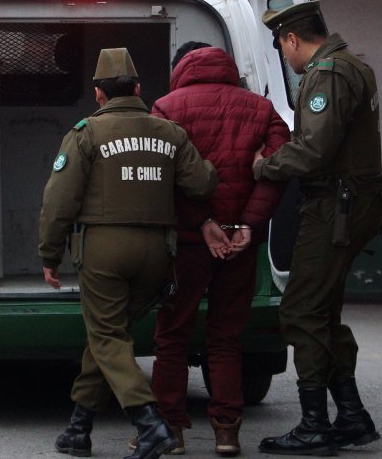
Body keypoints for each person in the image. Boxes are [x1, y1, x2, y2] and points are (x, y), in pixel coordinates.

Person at [39, 47, 218, 459]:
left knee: (106, 336)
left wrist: (50, 254)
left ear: (99, 94)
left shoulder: (86, 133)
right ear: (138, 88)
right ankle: (78, 429)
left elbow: (58, 202)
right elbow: (202, 184)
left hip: (105, 250)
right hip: (159, 252)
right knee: (109, 337)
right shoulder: (169, 132)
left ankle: (149, 423)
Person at [251, 1, 382, 456]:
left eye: (281, 46)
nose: (285, 57)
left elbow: (314, 151)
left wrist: (264, 166)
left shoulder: (327, 73)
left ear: (292, 38)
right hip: (352, 204)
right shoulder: (352, 65)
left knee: (301, 312)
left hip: (336, 207)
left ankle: (315, 424)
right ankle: (351, 416)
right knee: (324, 313)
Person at [145, 42, 290, 456]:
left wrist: (203, 223)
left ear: (182, 70)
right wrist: (247, 224)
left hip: (190, 242)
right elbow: (278, 170)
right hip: (240, 243)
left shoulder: (167, 107)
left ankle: (171, 430)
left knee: (172, 336)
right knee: (226, 338)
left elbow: (165, 176)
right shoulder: (261, 109)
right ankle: (227, 431)